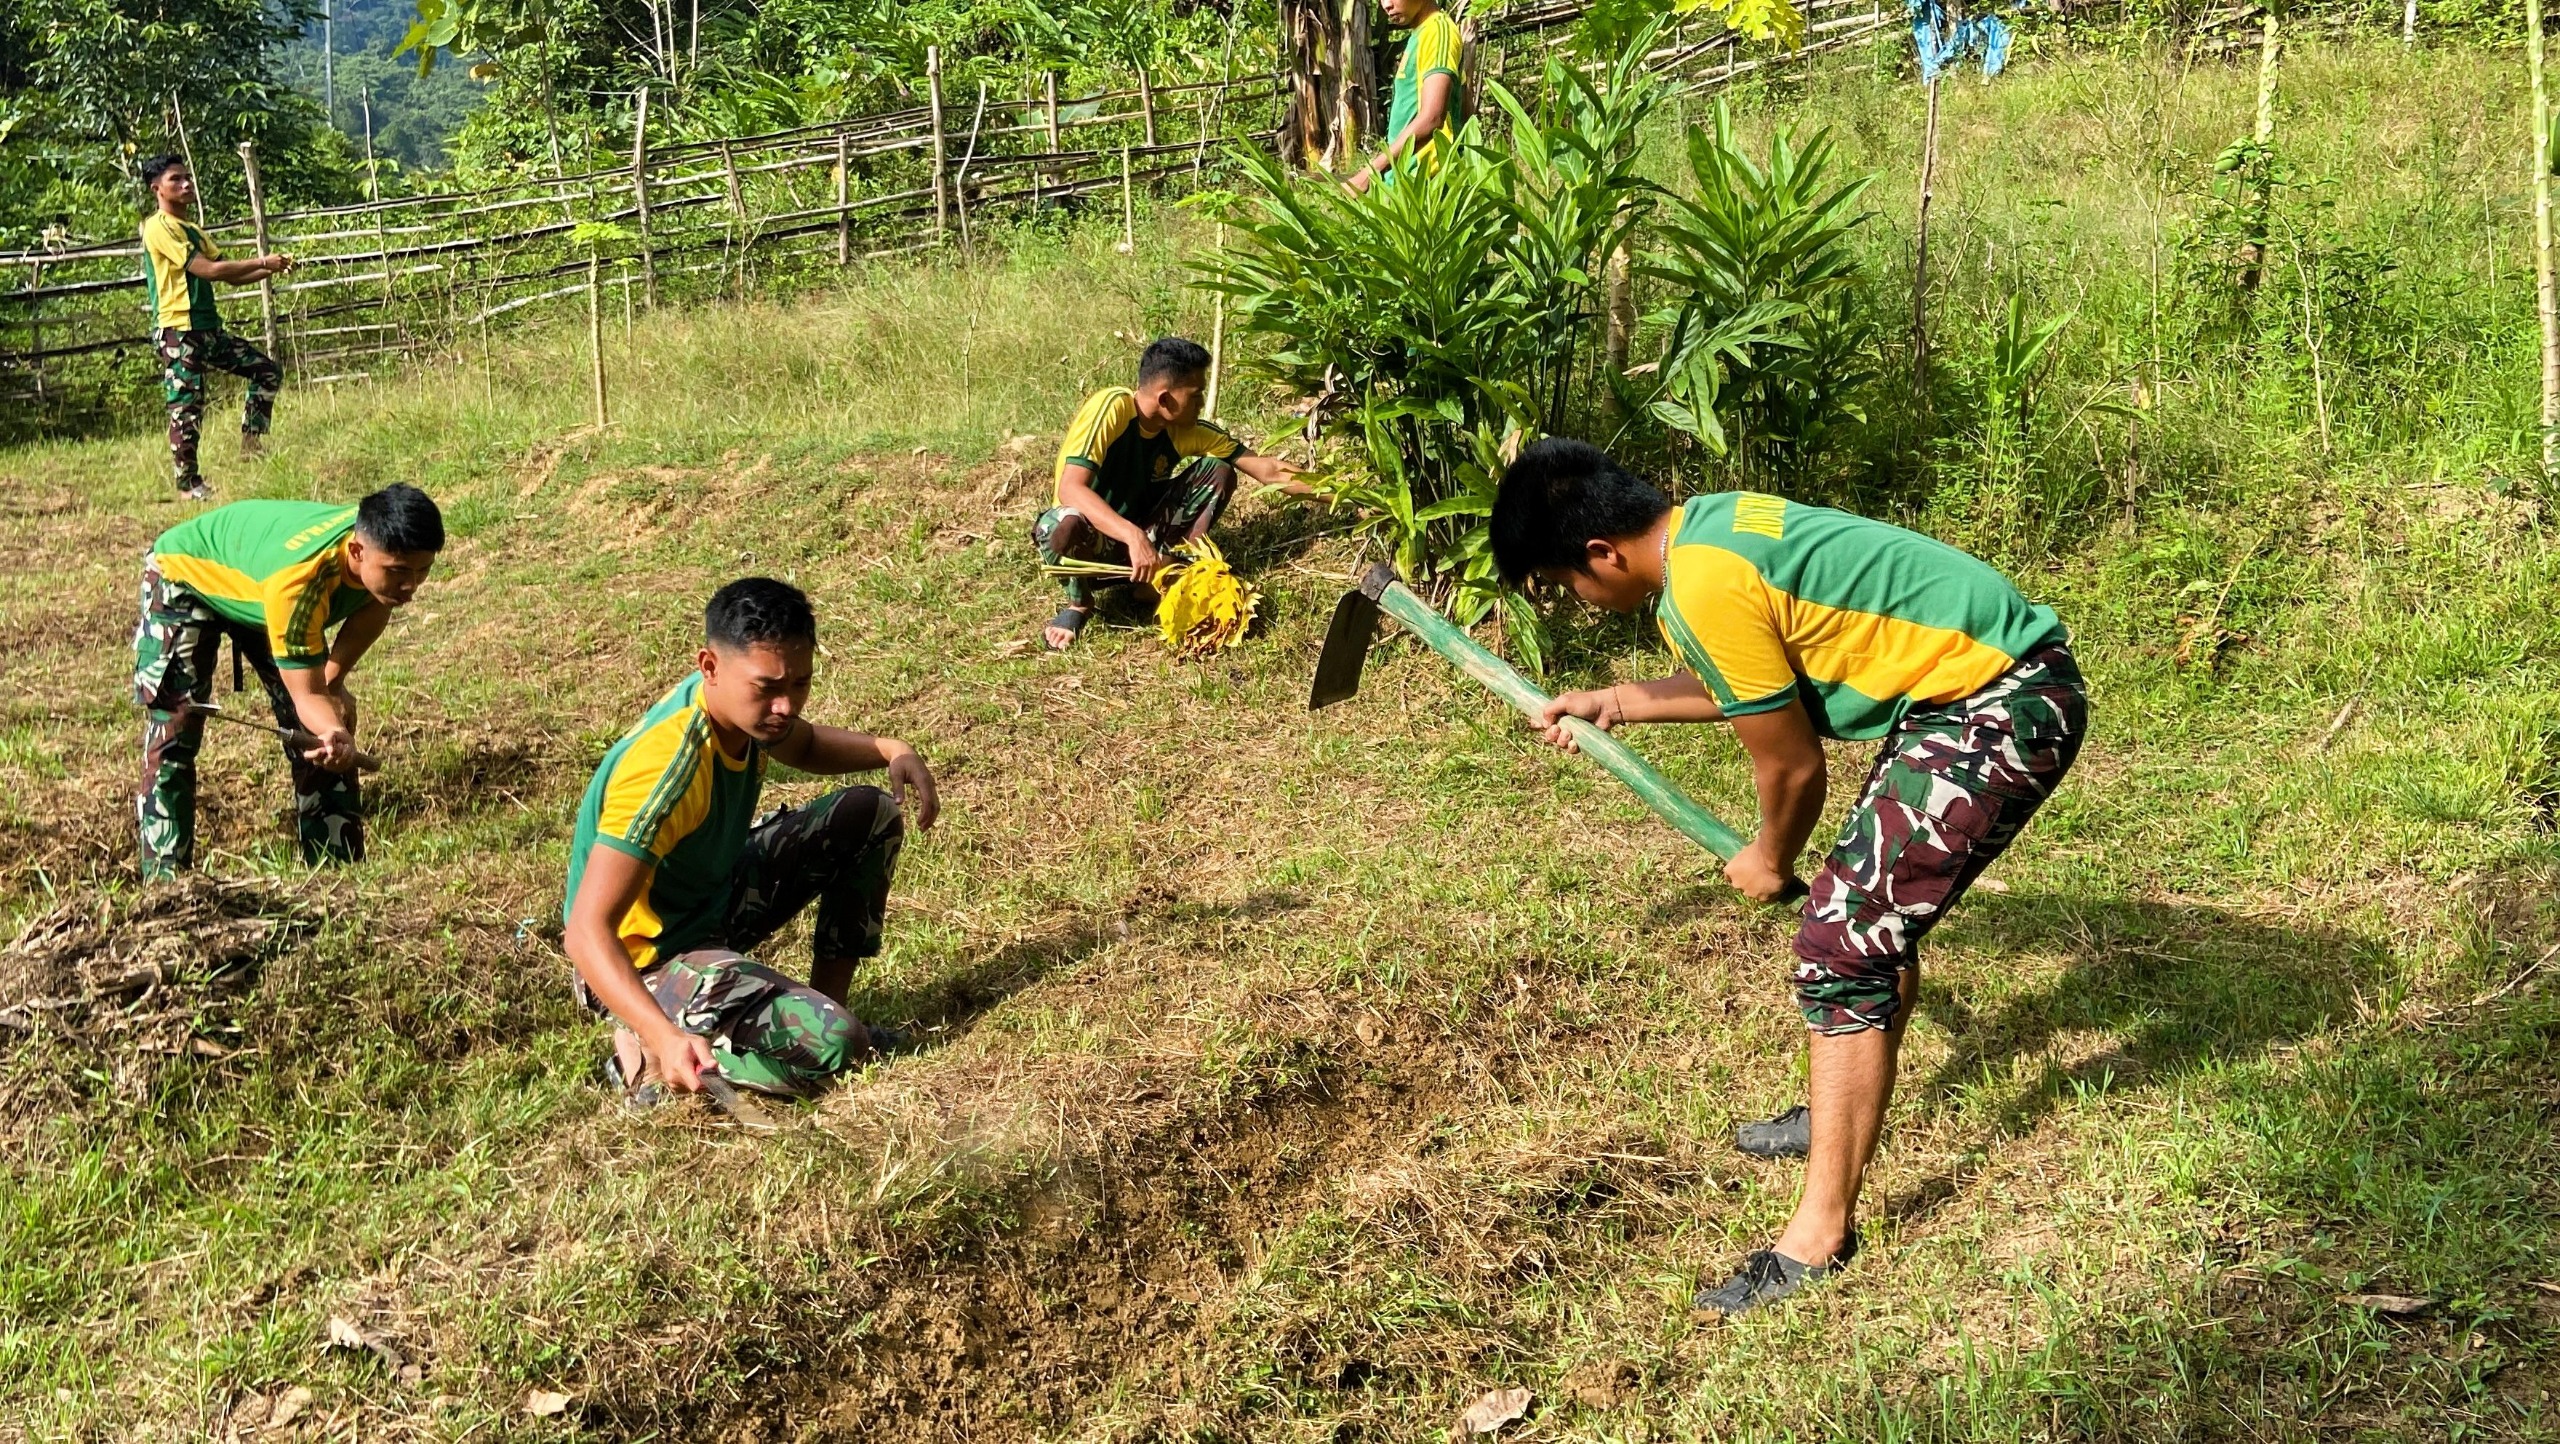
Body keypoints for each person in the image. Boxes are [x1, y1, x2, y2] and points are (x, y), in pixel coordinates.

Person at [1489, 440, 2088, 1319]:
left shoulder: (1701, 586)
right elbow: (1750, 680)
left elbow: (1793, 764)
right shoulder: (1709, 536)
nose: (1580, 601)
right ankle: (1833, 1112)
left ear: (1601, 554)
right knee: (1866, 921)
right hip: (1969, 692)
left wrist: (1769, 857)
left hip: (1997, 704)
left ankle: (1819, 1235)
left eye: (1566, 584)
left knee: (1842, 946)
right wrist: (1613, 702)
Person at [563, 577, 942, 1104]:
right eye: (767, 688)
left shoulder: (744, 712)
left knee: (869, 815)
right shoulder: (666, 767)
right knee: (842, 1047)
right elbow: (585, 934)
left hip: (708, 903)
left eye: (801, 684)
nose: (786, 706)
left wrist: (891, 749)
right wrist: (662, 1035)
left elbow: (805, 745)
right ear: (709, 666)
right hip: (643, 960)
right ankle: (647, 1055)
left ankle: (826, 1009)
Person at [132, 485, 445, 879]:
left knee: (320, 737)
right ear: (357, 552)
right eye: (399, 572)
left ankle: (337, 875)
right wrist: (332, 727)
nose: (411, 586)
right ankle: (166, 884)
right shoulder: (300, 586)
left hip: (259, 576)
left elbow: (373, 607)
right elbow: (309, 694)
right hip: (184, 576)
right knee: (176, 729)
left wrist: (334, 688)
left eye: (422, 571)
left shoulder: (379, 542)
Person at [1032, 336, 1304, 651]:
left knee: (1218, 471)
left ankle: (1159, 576)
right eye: (1196, 394)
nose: (1201, 403)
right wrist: (1133, 536)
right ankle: (1080, 603)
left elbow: (1269, 470)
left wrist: (1344, 493)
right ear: (1165, 398)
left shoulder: (1187, 432)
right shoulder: (1112, 408)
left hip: (1148, 548)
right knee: (1058, 523)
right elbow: (1070, 488)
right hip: (1091, 546)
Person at [137, 155, 295, 501]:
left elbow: (230, 274)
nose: (186, 184)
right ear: (156, 188)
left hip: (207, 329)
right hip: (179, 331)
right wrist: (263, 261)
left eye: (187, 177)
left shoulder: (192, 230)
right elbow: (208, 271)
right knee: (186, 406)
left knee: (266, 372)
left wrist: (272, 268)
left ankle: (251, 445)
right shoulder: (157, 227)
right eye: (175, 179)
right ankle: (188, 485)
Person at [1345, 0, 1465, 194]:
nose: (1386, 5)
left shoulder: (1438, 32)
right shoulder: (1421, 33)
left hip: (1425, 182)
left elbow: (1432, 117)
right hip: (1405, 180)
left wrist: (1370, 172)